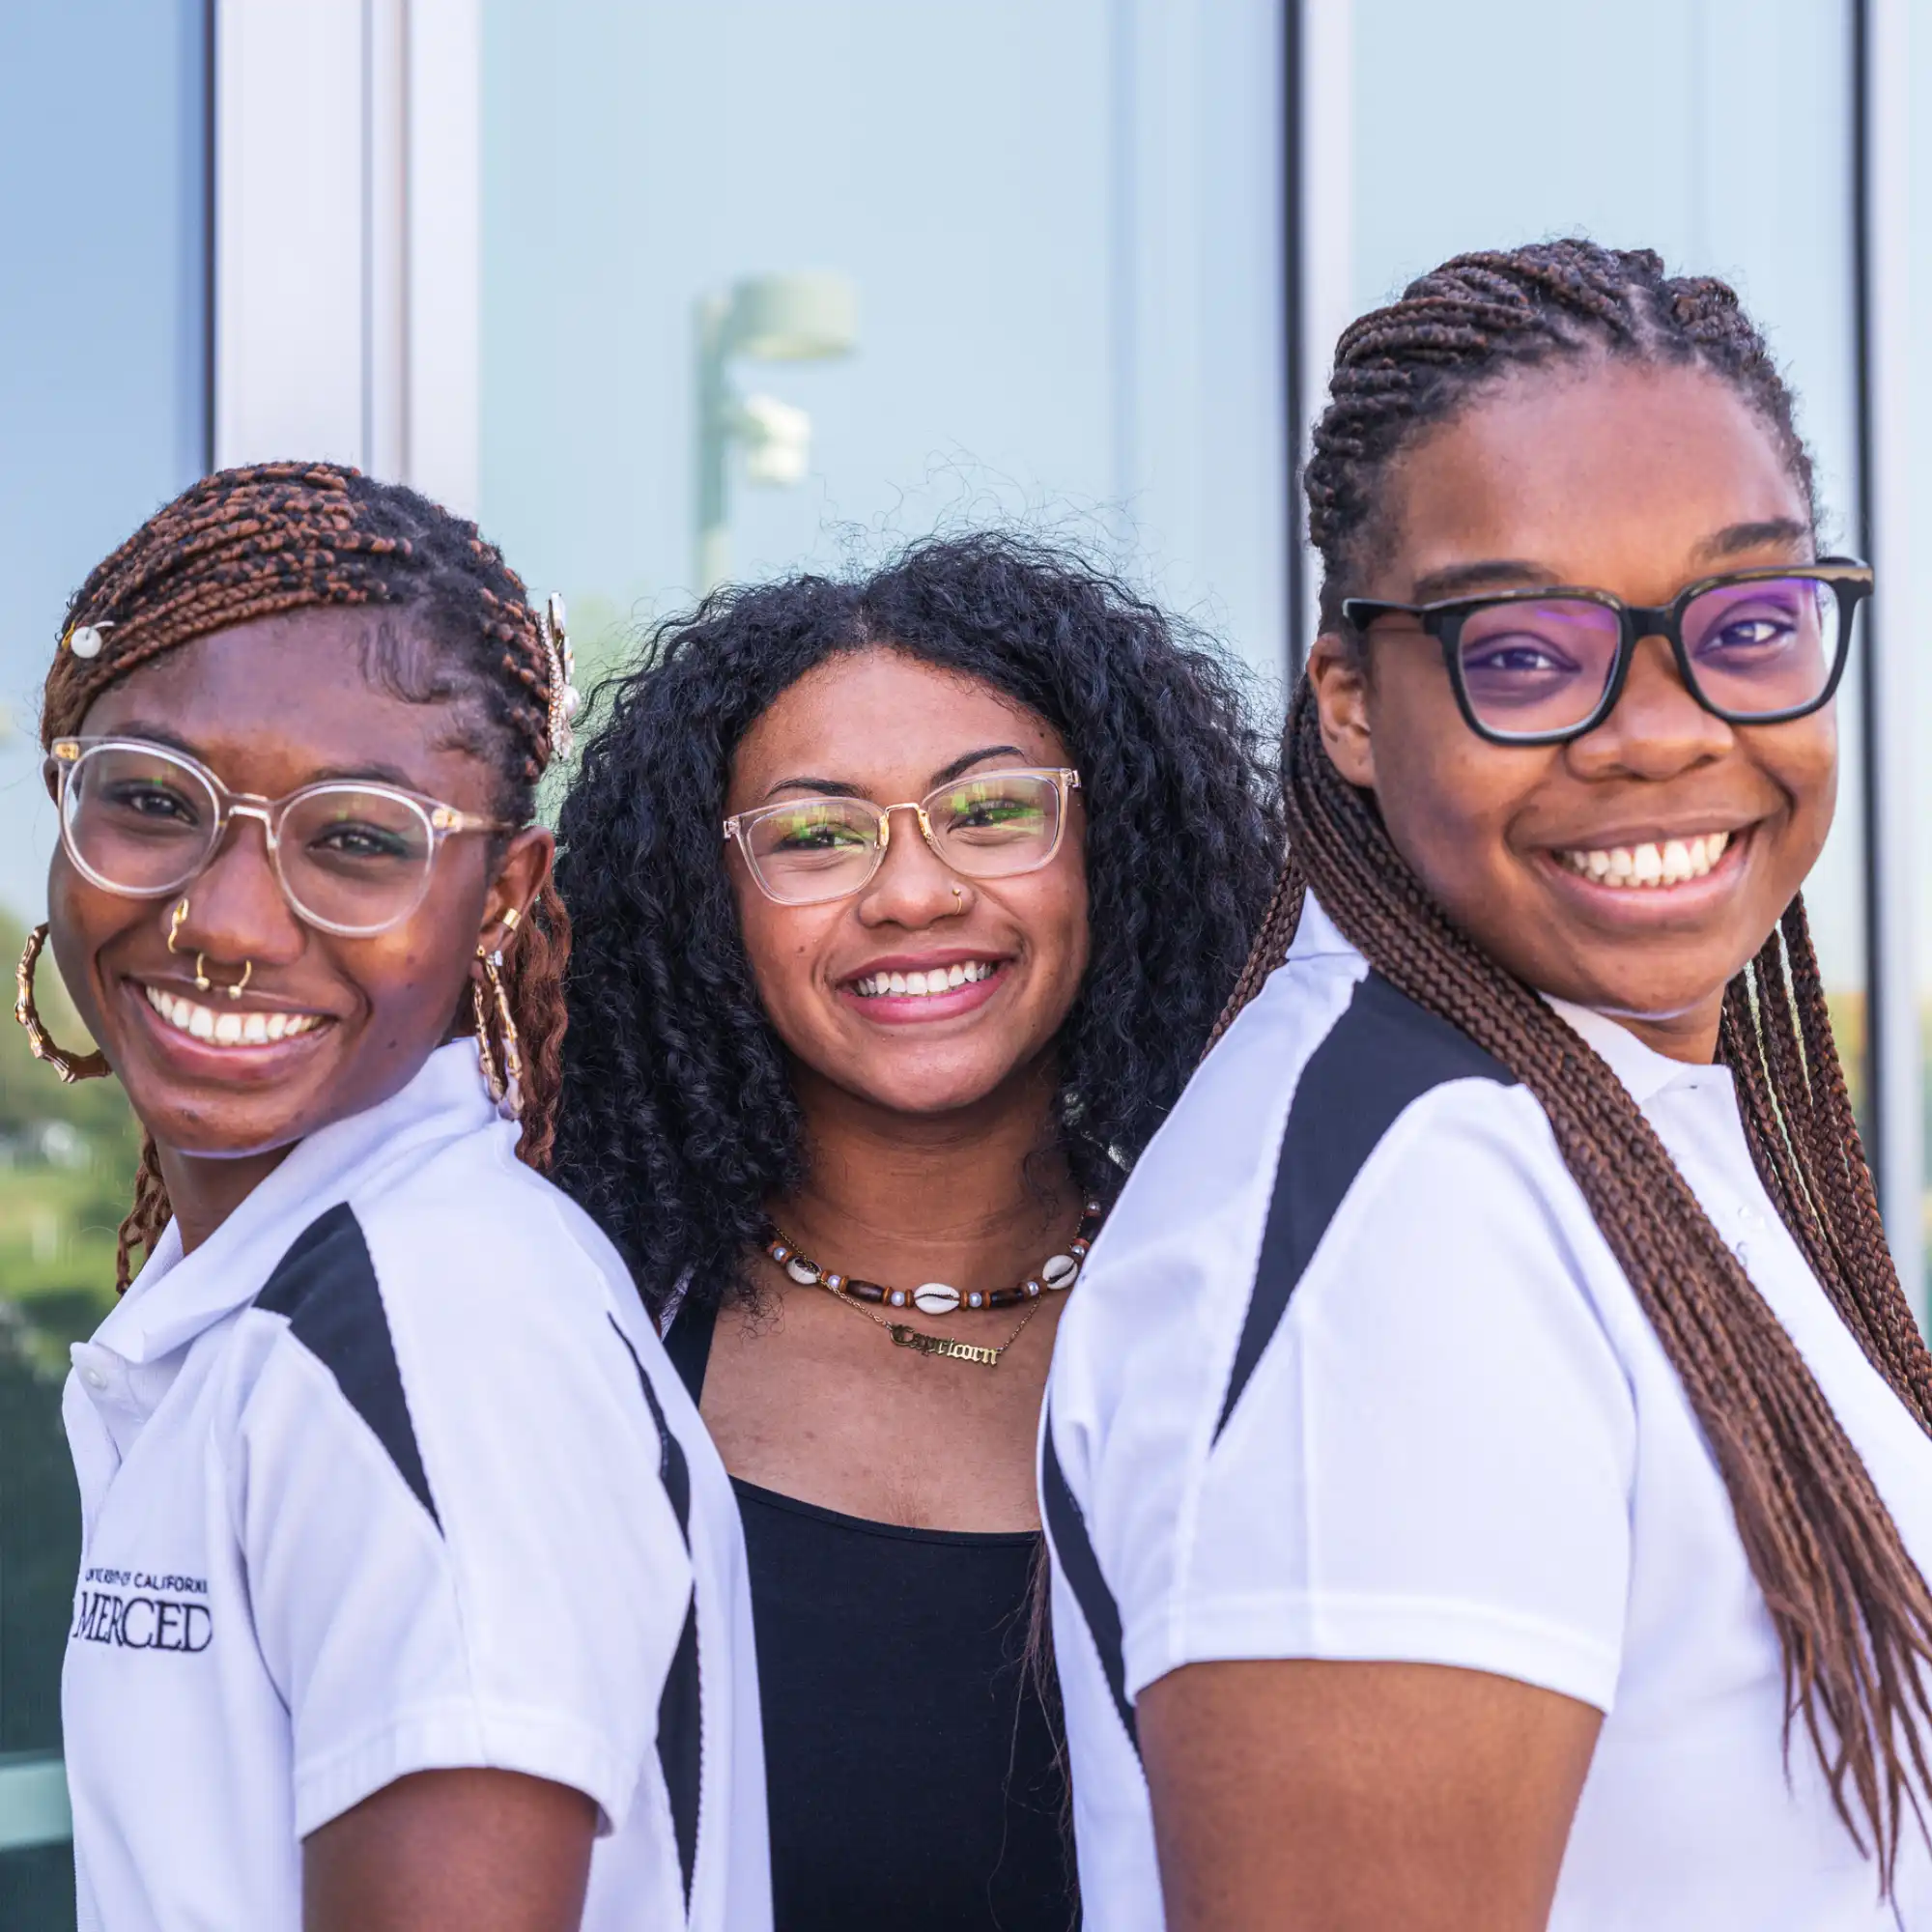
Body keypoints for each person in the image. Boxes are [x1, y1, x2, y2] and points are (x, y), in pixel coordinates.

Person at [1042, 241, 1932, 1930]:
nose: (1661, 732)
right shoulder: (1407, 1228)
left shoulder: (1602, 1116)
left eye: (1746, 623)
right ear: (1354, 707)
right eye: (1525, 653)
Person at [28, 463, 769, 1932]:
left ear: (502, 894)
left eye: (358, 840)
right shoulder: (283, 1294)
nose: (224, 921)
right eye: (149, 803)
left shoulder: (439, 1326)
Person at [552, 533, 1282, 1929]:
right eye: (816, 836)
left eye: (993, 812)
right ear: (712, 910)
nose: (912, 891)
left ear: (1111, 849)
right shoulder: (599, 1349)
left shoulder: (1249, 1330)